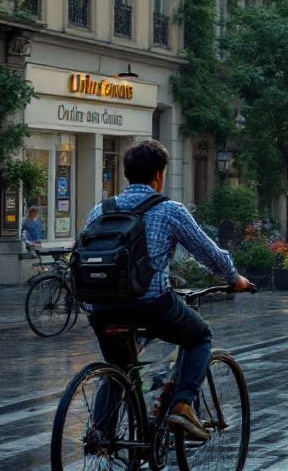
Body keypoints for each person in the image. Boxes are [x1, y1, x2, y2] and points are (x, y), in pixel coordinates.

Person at [83, 140, 251, 440]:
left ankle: (100, 435)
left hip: (102, 308)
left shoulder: (101, 210)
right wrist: (234, 278)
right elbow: (207, 252)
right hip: (150, 304)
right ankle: (182, 404)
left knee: (118, 368)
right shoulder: (169, 209)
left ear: (125, 174)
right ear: (159, 175)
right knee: (199, 336)